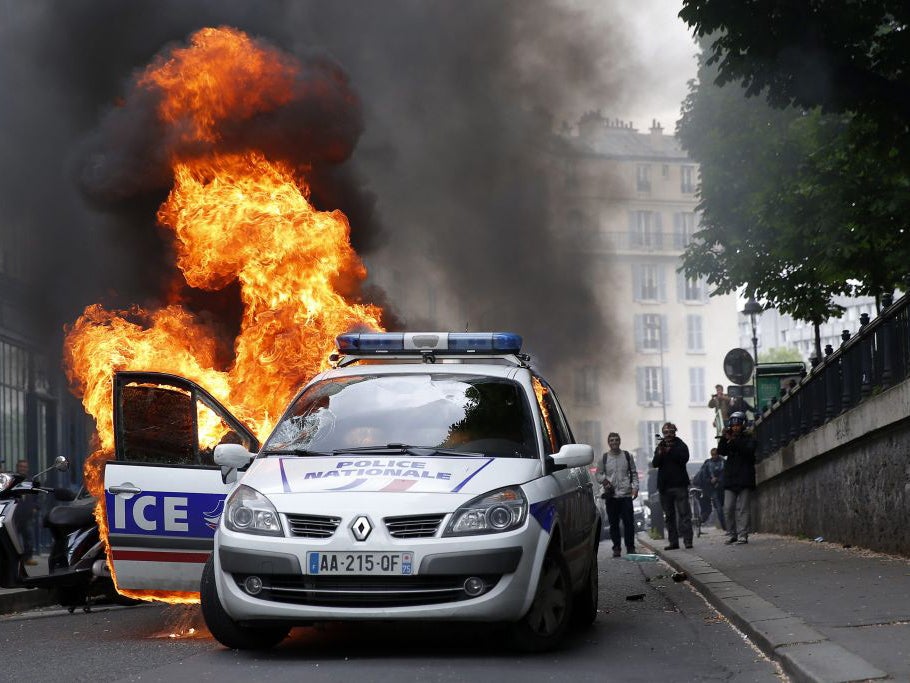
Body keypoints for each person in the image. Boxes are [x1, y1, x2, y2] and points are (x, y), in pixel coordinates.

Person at [594, 433, 639, 557]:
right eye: (612, 440)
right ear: (609, 442)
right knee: (614, 524)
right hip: (611, 496)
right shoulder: (604, 458)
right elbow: (597, 474)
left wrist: (635, 488)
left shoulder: (627, 456)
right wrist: (604, 481)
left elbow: (634, 473)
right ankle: (617, 548)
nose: (614, 442)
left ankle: (630, 547)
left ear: (620, 441)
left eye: (616, 440)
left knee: (629, 523)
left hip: (625, 495)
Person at [650, 422, 693, 550]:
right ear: (663, 433)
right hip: (665, 487)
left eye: (670, 431)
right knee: (669, 516)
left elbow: (684, 459)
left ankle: (688, 541)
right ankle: (673, 542)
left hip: (679, 485)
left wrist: (671, 451)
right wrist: (661, 452)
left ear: (675, 432)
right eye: (666, 432)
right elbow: (655, 463)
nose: (668, 434)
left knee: (684, 515)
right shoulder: (660, 447)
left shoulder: (681, 445)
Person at [717, 411, 757, 544]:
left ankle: (743, 535)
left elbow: (748, 451)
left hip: (745, 477)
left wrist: (735, 440)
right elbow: (722, 451)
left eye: (738, 425)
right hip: (731, 478)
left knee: (743, 508)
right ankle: (732, 533)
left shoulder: (749, 437)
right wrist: (724, 438)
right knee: (728, 508)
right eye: (733, 425)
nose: (735, 428)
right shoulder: (729, 438)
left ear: (743, 425)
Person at [13, 459, 38, 566]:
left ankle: (28, 558)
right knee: (13, 539)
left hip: (28, 515)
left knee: (29, 539)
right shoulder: (12, 479)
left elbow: (37, 495)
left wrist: (36, 507)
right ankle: (15, 559)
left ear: (27, 468)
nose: (23, 468)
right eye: (21, 466)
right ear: (17, 467)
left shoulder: (31, 480)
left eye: (25, 467)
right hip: (14, 514)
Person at [698, 447, 726, 530]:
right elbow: (704, 477)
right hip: (712, 488)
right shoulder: (707, 464)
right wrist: (711, 481)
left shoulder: (723, 462)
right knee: (719, 507)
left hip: (722, 487)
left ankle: (726, 526)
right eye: (713, 455)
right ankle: (725, 527)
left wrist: (718, 480)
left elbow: (724, 473)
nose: (714, 456)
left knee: (722, 506)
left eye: (715, 454)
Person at [646, 466, 664, 539]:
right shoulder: (657, 474)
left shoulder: (652, 476)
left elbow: (651, 489)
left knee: (655, 517)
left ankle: (657, 534)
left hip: (654, 499)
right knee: (659, 517)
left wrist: (650, 497)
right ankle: (660, 533)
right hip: (659, 499)